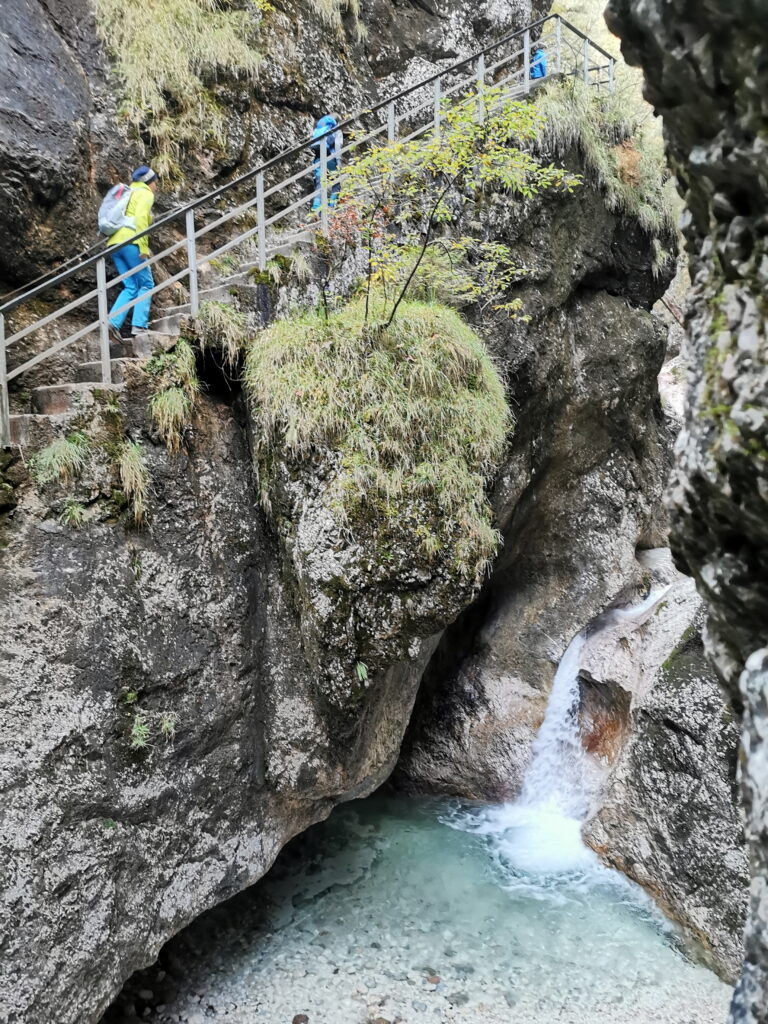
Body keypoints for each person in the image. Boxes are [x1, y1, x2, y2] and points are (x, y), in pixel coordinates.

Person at [107, 165, 158, 341]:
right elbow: (141, 219)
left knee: (131, 286)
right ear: (149, 182)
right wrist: (143, 247)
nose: (156, 186)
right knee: (146, 284)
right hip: (131, 243)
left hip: (114, 243)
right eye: (155, 182)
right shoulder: (145, 194)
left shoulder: (128, 192)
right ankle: (139, 326)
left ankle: (113, 323)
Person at [310, 114, 343, 214]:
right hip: (330, 158)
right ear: (337, 122)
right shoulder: (336, 130)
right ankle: (332, 206)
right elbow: (337, 145)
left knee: (320, 183)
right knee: (337, 182)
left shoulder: (318, 129)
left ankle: (316, 208)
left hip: (318, 158)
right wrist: (338, 161)